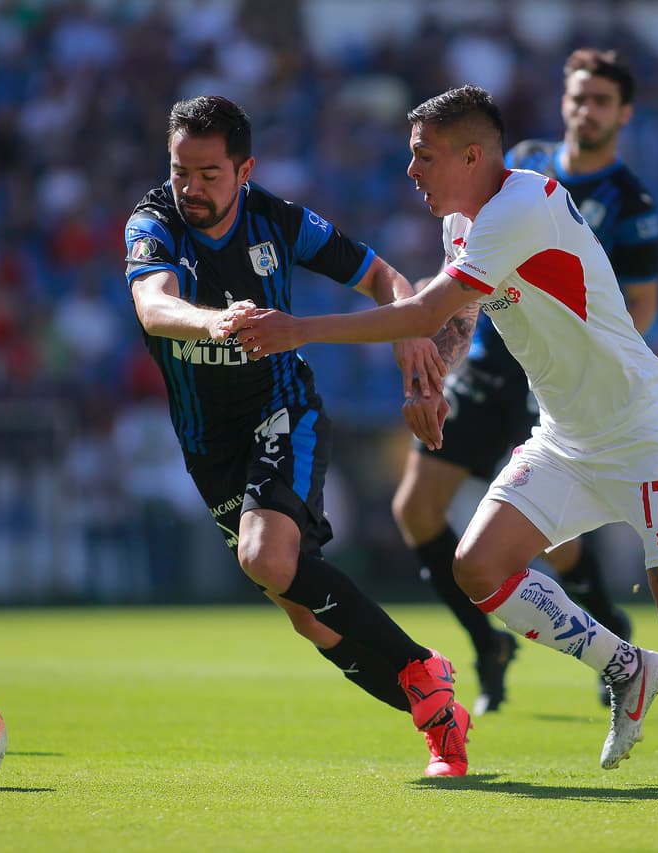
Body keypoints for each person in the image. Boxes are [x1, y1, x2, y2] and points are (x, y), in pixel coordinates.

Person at [229, 85, 658, 788]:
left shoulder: (523, 204)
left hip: (645, 430)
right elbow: (457, 324)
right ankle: (625, 667)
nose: (411, 170)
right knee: (478, 566)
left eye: (424, 155)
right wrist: (429, 386)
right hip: (566, 439)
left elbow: (425, 310)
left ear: (472, 156)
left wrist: (298, 329)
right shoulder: (462, 223)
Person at [124, 95, 470, 776]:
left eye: (209, 174)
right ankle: (441, 722)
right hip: (208, 445)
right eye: (180, 171)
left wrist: (408, 331)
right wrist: (214, 322)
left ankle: (420, 667)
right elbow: (152, 305)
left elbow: (380, 275)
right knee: (309, 617)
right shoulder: (153, 222)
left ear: (244, 170)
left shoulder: (277, 221)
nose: (191, 188)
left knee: (263, 556)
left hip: (282, 412)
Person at [391, 48, 658, 716]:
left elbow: (638, 309)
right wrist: (433, 353)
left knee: (551, 536)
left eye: (600, 101)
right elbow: (463, 268)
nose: (585, 110)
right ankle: (488, 645)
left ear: (623, 114)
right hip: (485, 362)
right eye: (577, 97)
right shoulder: (519, 163)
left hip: (547, 380)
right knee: (415, 509)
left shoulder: (630, 202)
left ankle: (610, 633)